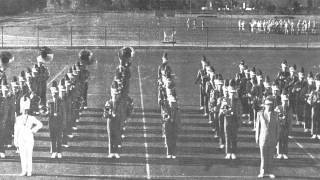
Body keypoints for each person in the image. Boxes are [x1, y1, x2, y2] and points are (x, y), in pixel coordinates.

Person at [14, 95, 43, 176]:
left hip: (29, 137)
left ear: (28, 110)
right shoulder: (18, 118)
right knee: (22, 155)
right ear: (21, 109)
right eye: (23, 110)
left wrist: (33, 130)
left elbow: (40, 124)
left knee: (29, 154)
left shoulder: (31, 118)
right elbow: (16, 129)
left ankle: (29, 171)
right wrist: (15, 140)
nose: (25, 111)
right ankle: (24, 170)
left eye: (26, 110)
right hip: (21, 137)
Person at [256, 96, 280, 178]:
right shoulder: (259, 114)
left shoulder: (276, 114)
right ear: (264, 105)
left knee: (271, 157)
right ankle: (262, 171)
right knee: (263, 157)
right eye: (267, 104)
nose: (269, 106)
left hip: (272, 138)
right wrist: (257, 138)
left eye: (270, 104)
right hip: (262, 138)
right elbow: (257, 127)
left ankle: (270, 172)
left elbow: (278, 127)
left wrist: (277, 138)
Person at [48, 81, 63, 159]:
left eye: (56, 94)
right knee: (53, 137)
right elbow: (48, 112)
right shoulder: (50, 102)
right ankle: (54, 151)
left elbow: (63, 111)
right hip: (52, 122)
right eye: (54, 94)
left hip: (59, 121)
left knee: (59, 137)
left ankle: (59, 152)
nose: (55, 95)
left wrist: (58, 114)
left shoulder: (60, 101)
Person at [275, 90, 292, 159]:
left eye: (286, 101)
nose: (285, 102)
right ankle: (279, 153)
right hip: (280, 126)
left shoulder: (289, 108)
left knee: (285, 140)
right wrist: (281, 118)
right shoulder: (278, 107)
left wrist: (290, 128)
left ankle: (285, 153)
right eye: (284, 101)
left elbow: (290, 119)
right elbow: (275, 116)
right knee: (279, 139)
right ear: (282, 101)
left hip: (286, 126)